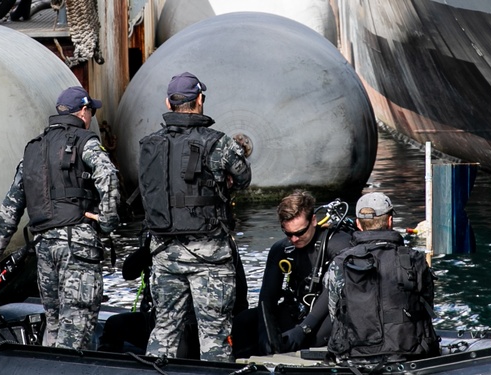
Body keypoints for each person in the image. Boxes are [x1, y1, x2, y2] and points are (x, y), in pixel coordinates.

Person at [0, 86, 121, 350]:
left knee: (55, 322)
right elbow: (109, 177)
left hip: (44, 248)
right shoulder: (86, 141)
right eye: (91, 110)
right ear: (82, 111)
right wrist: (107, 222)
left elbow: (13, 201)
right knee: (78, 324)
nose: (91, 116)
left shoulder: (33, 149)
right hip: (77, 246)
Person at [138, 72, 251, 362]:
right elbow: (243, 177)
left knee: (163, 331)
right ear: (199, 100)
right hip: (210, 256)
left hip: (164, 253)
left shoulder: (150, 144)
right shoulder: (218, 142)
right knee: (213, 336)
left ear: (168, 103)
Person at [231, 190, 353, 358]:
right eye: (288, 234)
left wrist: (303, 329)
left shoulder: (338, 243)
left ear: (314, 221)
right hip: (295, 309)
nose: (294, 239)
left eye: (300, 232)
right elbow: (268, 296)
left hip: (327, 313)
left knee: (317, 338)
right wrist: (265, 331)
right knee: (243, 322)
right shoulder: (281, 249)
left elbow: (334, 290)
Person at [325, 192, 439, 363]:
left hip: (353, 356)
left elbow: (334, 312)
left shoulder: (340, 262)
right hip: (410, 353)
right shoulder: (415, 259)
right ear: (390, 221)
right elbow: (427, 304)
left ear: (358, 224)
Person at [97, 240, 249, 357]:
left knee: (183, 342)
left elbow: (241, 296)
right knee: (115, 324)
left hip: (197, 325)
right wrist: (151, 248)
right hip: (162, 320)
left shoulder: (218, 245)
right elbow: (128, 272)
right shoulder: (161, 245)